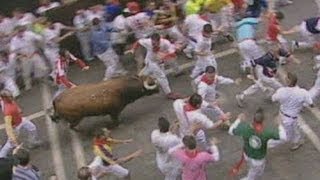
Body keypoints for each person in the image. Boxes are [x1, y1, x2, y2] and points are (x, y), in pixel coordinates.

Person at [228, 108, 287, 180]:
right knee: (252, 176)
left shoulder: (245, 128)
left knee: (254, 169)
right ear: (263, 120)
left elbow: (230, 131)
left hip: (247, 154)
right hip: (258, 160)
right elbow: (284, 138)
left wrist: (238, 119)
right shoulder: (267, 132)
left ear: (253, 119)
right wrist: (280, 124)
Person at [126, 33, 182, 100]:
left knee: (144, 75)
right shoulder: (148, 41)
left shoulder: (165, 43)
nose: (153, 45)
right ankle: (169, 93)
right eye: (152, 43)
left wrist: (165, 55)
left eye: (155, 43)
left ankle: (132, 84)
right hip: (151, 61)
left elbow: (173, 54)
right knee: (161, 76)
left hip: (159, 62)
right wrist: (133, 49)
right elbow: (138, 42)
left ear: (159, 41)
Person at [268, 72, 313, 151]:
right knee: (286, 136)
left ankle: (297, 141)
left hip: (283, 115)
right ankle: (267, 144)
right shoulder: (303, 92)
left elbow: (273, 99)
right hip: (291, 117)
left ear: (287, 81)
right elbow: (311, 104)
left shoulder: (281, 91)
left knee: (291, 132)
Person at [0, 90, 41, 158]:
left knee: (32, 128)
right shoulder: (7, 111)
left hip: (20, 120)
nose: (12, 97)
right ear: (5, 99)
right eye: (10, 97)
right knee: (10, 144)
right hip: (15, 127)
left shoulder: (9, 101)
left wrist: (18, 109)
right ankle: (1, 156)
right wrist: (12, 137)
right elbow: (8, 126)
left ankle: (32, 142)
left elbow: (14, 103)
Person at [10, 26, 48, 91]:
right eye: (17, 32)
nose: (18, 34)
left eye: (20, 32)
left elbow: (39, 38)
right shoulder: (14, 40)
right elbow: (13, 50)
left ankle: (43, 79)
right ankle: (28, 85)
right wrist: (22, 55)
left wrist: (36, 40)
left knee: (42, 67)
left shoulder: (29, 34)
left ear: (22, 31)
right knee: (26, 73)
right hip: (24, 57)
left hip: (34, 54)